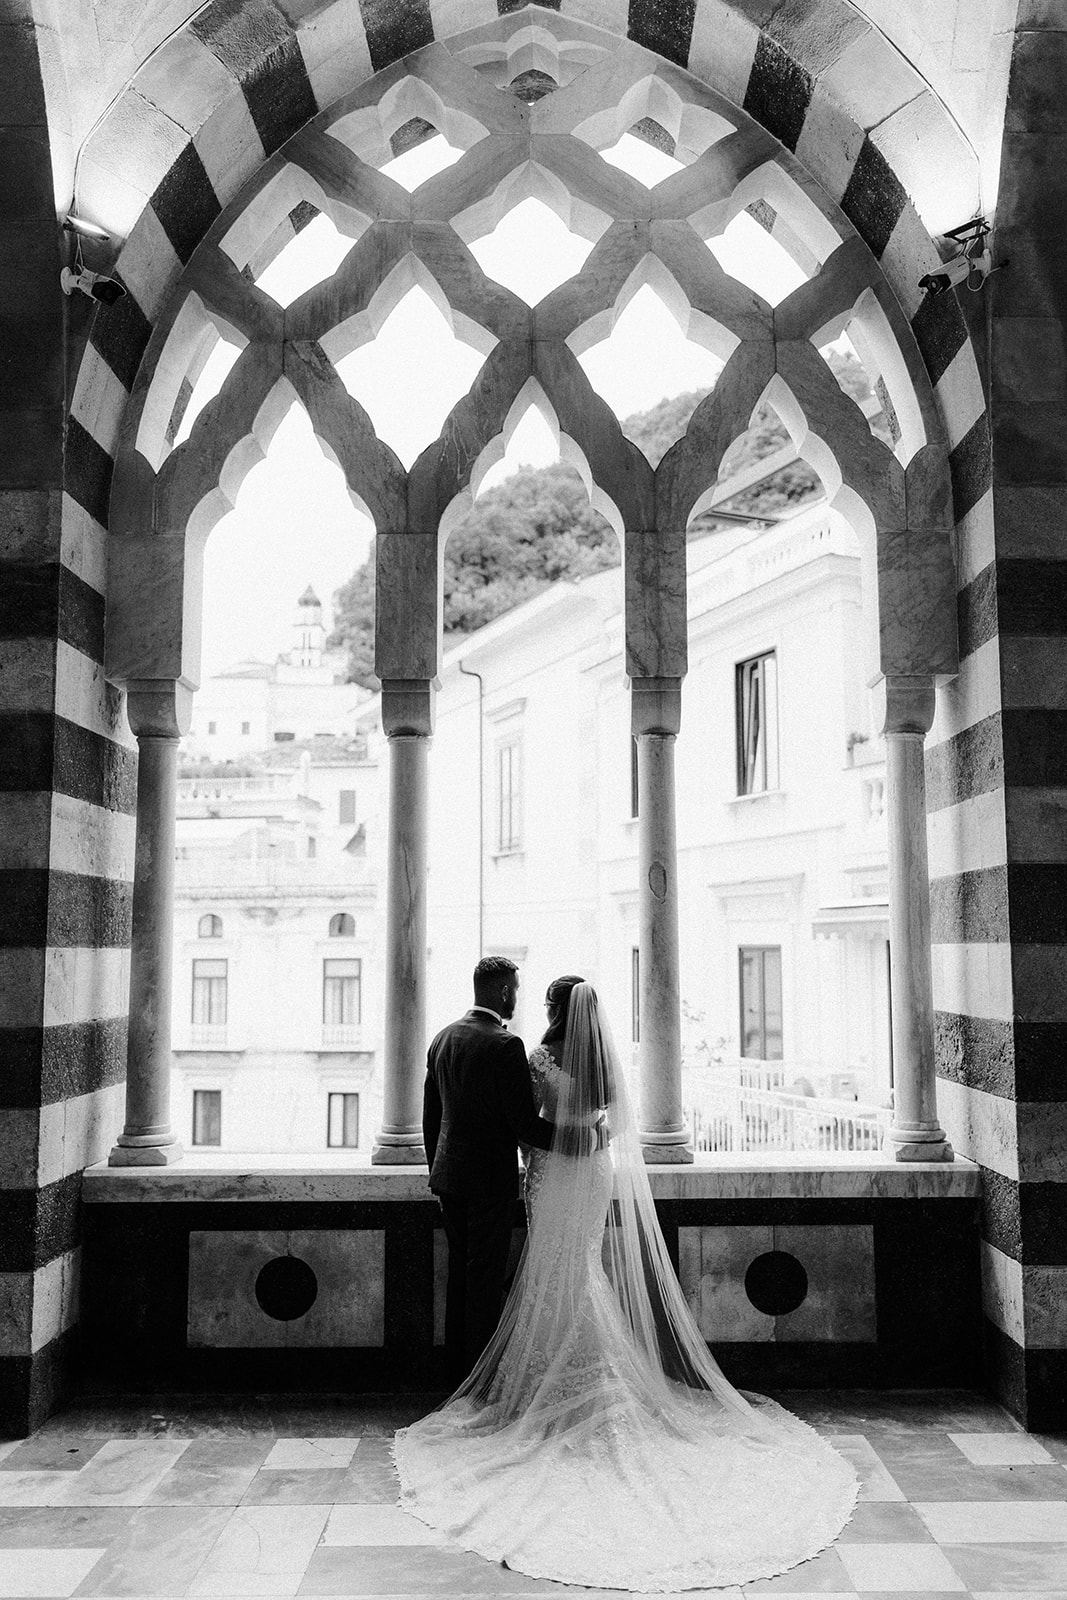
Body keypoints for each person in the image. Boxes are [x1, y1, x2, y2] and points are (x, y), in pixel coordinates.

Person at [396, 978, 858, 1592]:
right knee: (573, 1268)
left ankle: (495, 1379)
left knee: (532, 1274)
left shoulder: (506, 1049)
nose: (531, 1005)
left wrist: (467, 1157)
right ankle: (558, 1375)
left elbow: (500, 1120)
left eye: (545, 1003)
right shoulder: (576, 1058)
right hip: (585, 1174)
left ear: (556, 1010)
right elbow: (599, 1121)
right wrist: (586, 1138)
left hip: (525, 1175)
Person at [422, 955, 555, 1386]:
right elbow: (526, 1126)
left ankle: (455, 1375)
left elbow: (431, 1117)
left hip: (448, 1180)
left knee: (460, 1277)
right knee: (483, 1282)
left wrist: (436, 1170)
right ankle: (479, 1381)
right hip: (489, 1184)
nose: (517, 996)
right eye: (515, 989)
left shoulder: (442, 1038)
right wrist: (577, 1136)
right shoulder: (504, 1045)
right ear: (503, 991)